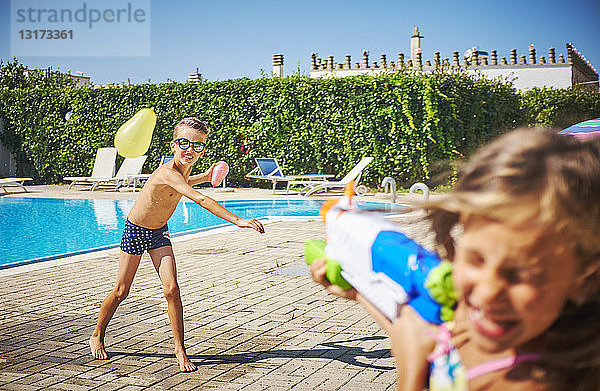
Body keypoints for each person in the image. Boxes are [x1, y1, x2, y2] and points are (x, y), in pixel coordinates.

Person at [310, 127, 600, 390]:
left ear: (585, 279)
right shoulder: (485, 316)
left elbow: (414, 353)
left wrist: (409, 378)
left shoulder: (536, 381)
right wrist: (357, 292)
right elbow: (425, 343)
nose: (487, 291)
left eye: (523, 274)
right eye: (475, 259)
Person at [89, 117, 265, 372]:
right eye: (184, 143)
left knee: (172, 288)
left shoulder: (183, 171)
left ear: (202, 150)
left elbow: (183, 184)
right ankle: (97, 334)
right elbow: (199, 198)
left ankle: (180, 349)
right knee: (121, 291)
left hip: (159, 232)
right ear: (173, 145)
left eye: (197, 146)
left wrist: (205, 175)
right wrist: (237, 220)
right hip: (136, 231)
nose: (190, 150)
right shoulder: (166, 172)